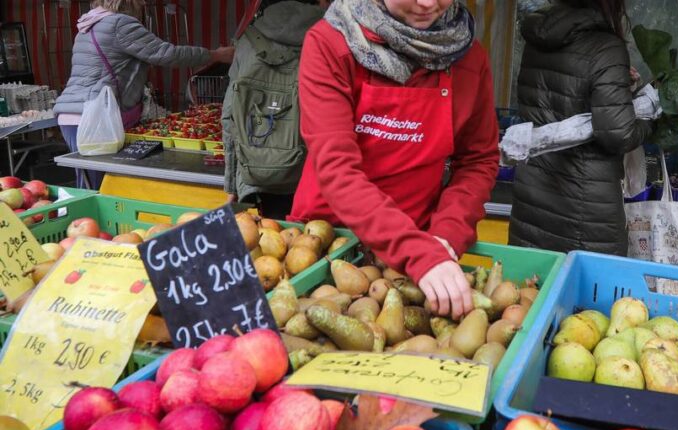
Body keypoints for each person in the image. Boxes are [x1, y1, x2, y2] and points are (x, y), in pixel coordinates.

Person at [288, 0, 500, 319]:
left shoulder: (469, 57)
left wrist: (447, 235)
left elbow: (478, 160)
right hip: (328, 242)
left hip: (422, 252)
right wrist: (417, 252)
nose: (428, 3)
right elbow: (337, 169)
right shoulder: (332, 42)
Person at [508, 0, 651, 256]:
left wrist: (616, 83)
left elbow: (552, 100)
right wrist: (649, 119)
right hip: (586, 211)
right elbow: (618, 133)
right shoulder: (606, 47)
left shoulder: (537, 37)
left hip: (532, 196)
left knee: (532, 290)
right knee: (585, 294)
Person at [54, 0, 234, 189]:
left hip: (74, 115)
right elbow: (166, 54)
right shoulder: (119, 24)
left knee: (93, 182)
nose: (143, 5)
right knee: (103, 187)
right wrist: (216, 55)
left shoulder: (88, 26)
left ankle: (88, 217)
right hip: (96, 119)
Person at [222, 0, 328, 219]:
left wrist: (232, 185)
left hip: (259, 169)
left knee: (273, 243)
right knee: (315, 244)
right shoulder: (331, 40)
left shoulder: (247, 42)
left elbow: (229, 116)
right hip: (314, 175)